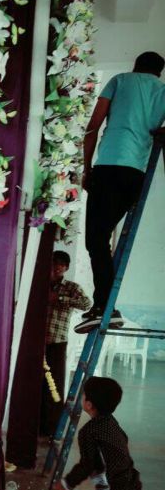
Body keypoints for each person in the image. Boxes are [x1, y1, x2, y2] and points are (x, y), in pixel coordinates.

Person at [75, 51, 165, 333]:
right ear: (159, 73)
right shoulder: (162, 91)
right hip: (136, 174)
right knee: (101, 238)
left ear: (135, 66)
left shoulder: (120, 80)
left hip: (109, 167)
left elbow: (93, 128)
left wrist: (86, 169)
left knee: (96, 240)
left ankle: (105, 306)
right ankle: (104, 304)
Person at [40, 251, 91, 437]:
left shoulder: (71, 287)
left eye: (61, 264)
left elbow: (87, 304)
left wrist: (60, 299)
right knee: (36, 385)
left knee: (54, 385)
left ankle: (52, 427)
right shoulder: (40, 284)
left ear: (66, 268)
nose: (57, 267)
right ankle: (36, 425)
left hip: (57, 342)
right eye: (54, 263)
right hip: (36, 343)